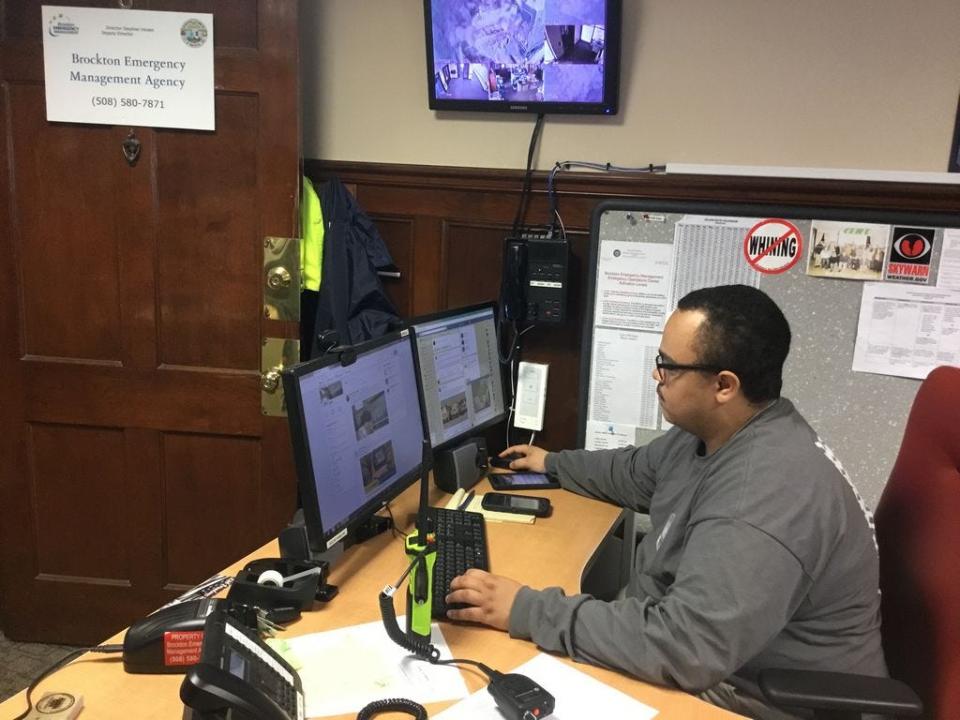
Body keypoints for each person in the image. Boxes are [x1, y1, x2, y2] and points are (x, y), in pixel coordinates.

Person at [446, 285, 886, 720]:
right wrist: (554, 464)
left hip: (749, 696)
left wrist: (526, 609)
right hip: (705, 658)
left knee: (493, 686)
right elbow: (636, 472)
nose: (657, 376)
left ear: (724, 385)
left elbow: (687, 648)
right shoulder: (716, 433)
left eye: (668, 366)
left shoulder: (767, 490)